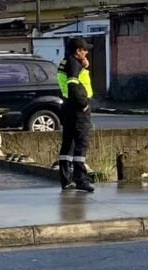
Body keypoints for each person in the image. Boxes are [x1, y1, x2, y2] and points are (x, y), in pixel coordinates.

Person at [57, 36, 95, 193]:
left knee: (68, 144)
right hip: (78, 109)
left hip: (68, 107)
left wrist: (84, 67)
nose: (86, 53)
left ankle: (66, 179)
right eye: (84, 50)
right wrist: (84, 104)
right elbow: (73, 85)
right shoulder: (73, 64)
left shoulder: (65, 62)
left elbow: (75, 81)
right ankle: (80, 179)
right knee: (81, 144)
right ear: (78, 51)